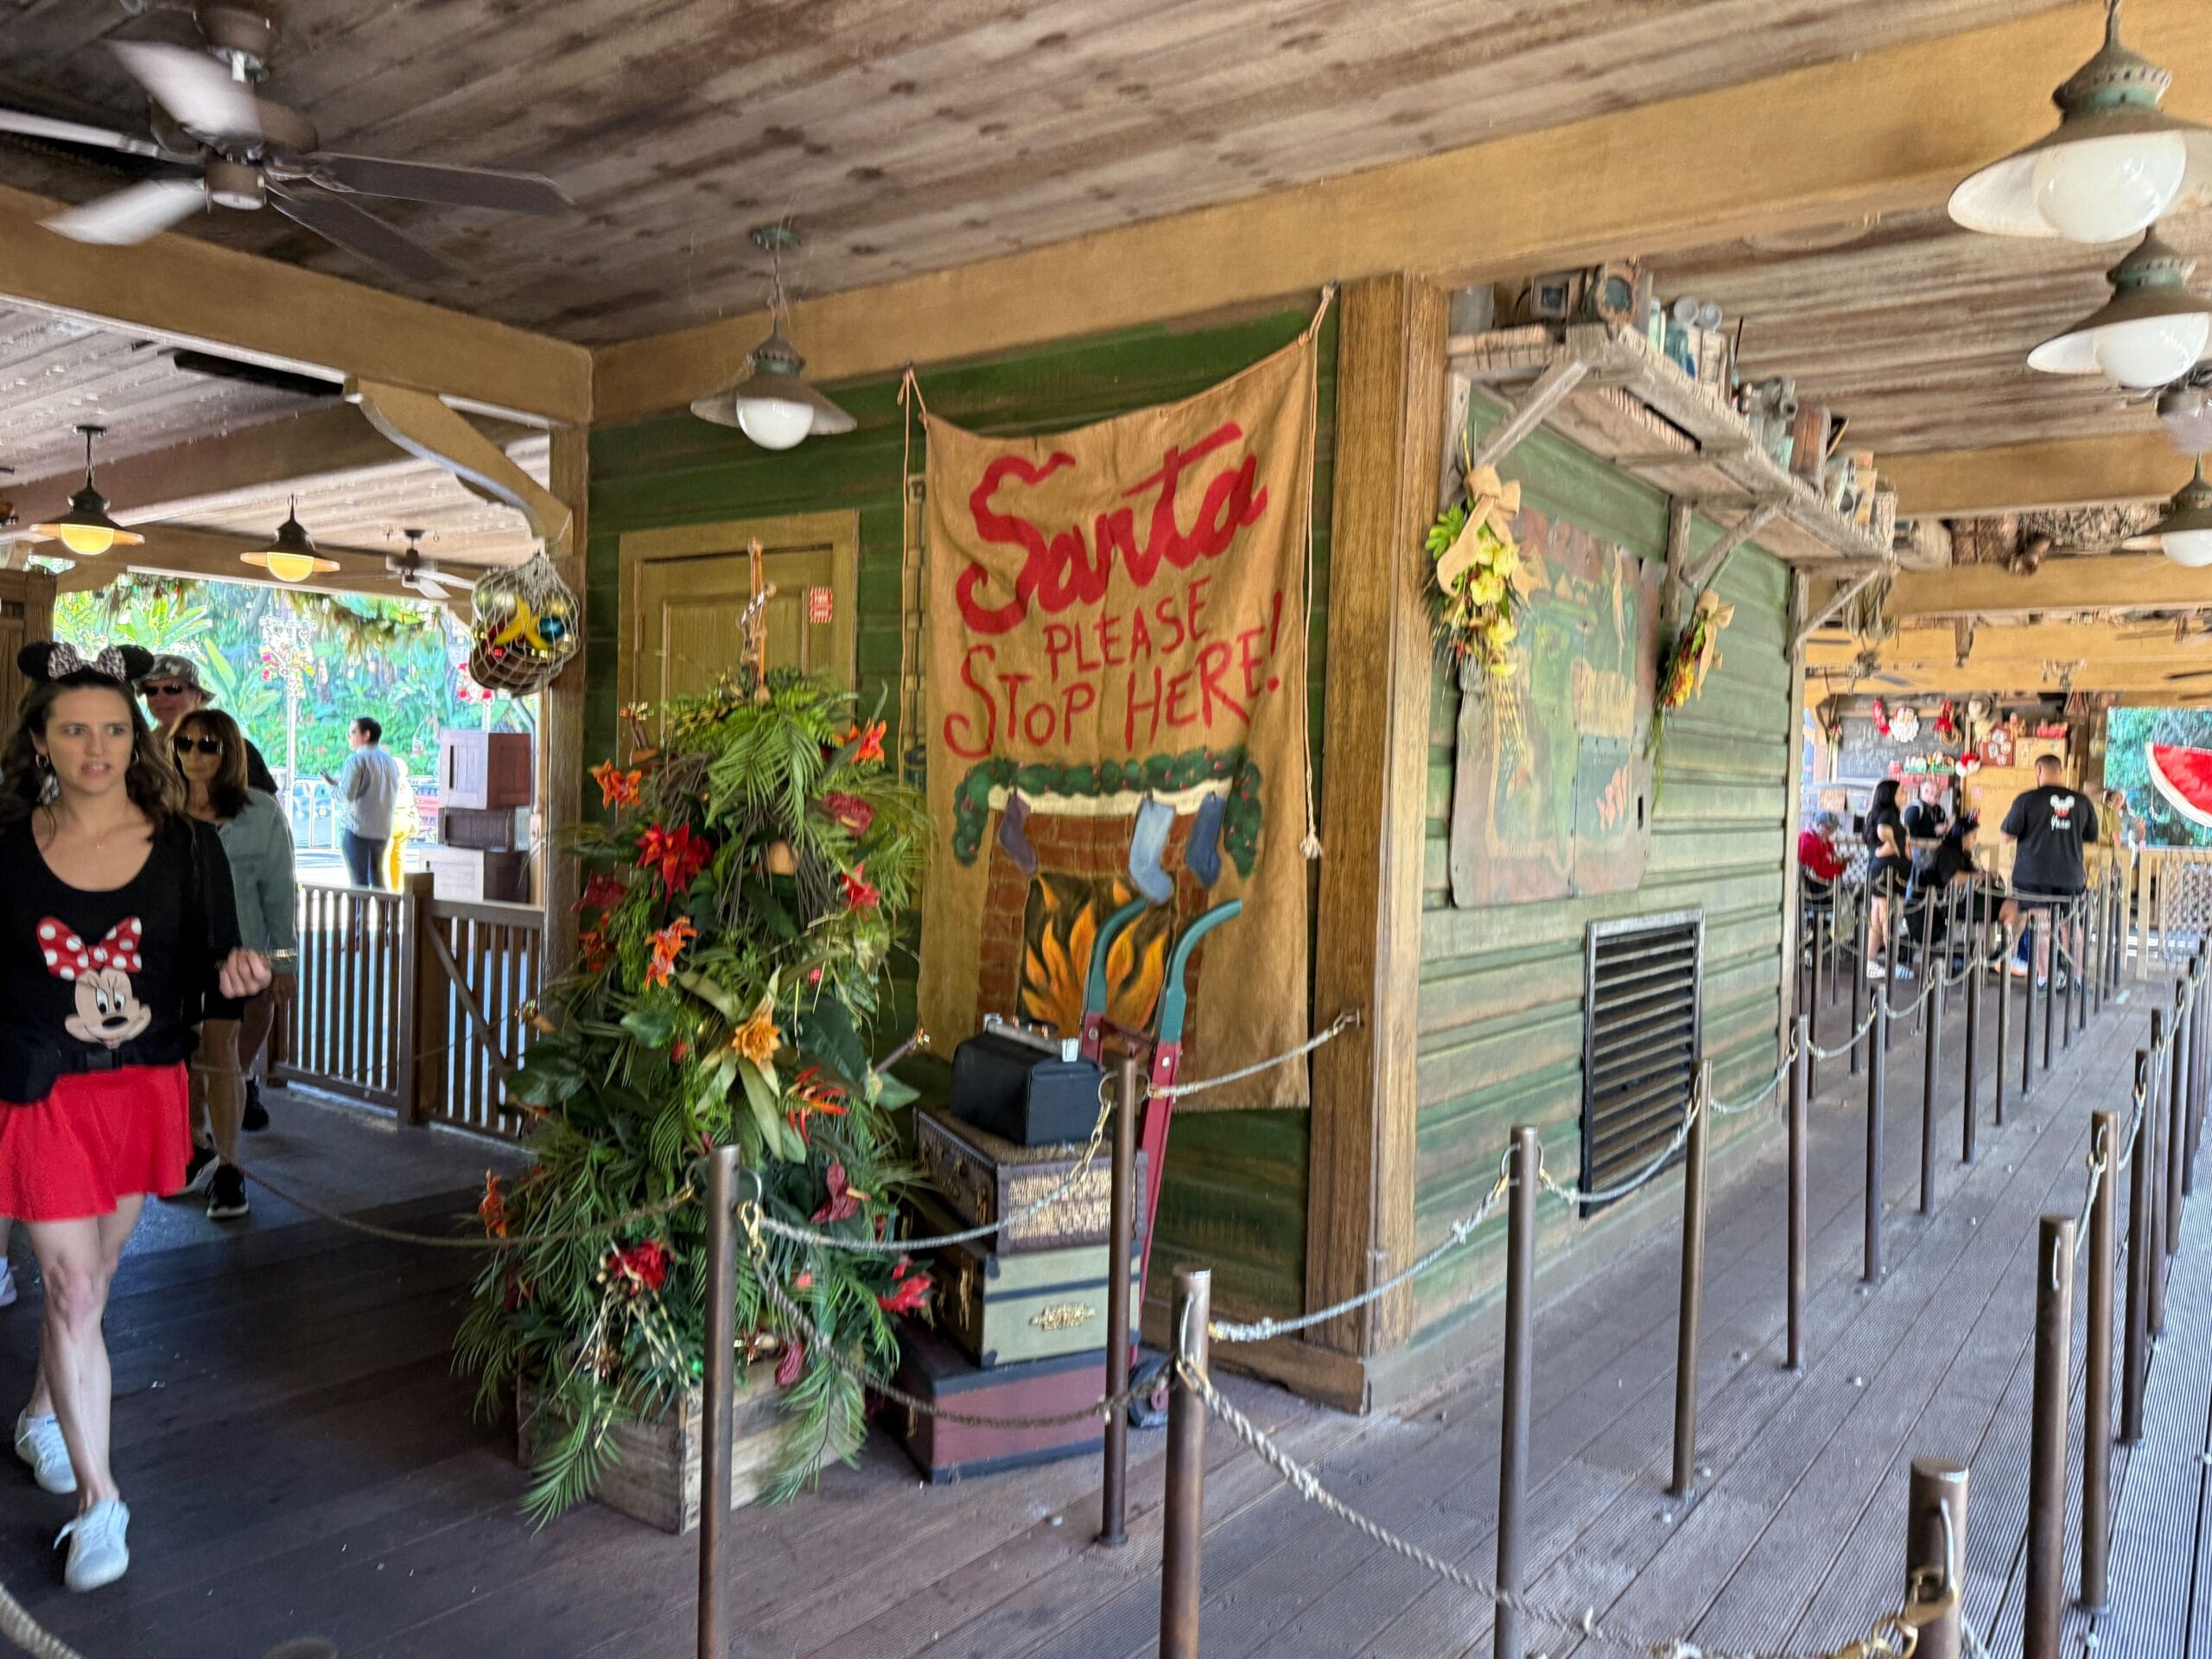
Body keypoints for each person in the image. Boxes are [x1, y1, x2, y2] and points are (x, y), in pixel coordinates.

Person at [0, 640, 269, 1592]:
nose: (97, 745)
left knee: (98, 1277)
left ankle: (42, 1415)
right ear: (41, 740)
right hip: (41, 1090)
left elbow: (213, 959)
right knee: (72, 1289)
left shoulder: (189, 849)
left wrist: (234, 972)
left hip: (145, 1086)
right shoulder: (7, 851)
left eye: (113, 728)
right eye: (74, 729)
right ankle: (100, 1507)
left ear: (134, 740)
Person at [171, 709, 296, 1222]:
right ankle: (190, 1149)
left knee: (219, 1049)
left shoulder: (261, 812)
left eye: (208, 744)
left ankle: (229, 1167)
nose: (195, 754)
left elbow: (280, 896)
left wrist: (284, 962)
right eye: (186, 743)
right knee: (178, 1059)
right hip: (169, 957)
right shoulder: (157, 812)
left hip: (235, 957)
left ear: (229, 753)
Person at [2000, 754, 2098, 988]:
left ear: (2038, 770)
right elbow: (2091, 837)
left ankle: (2044, 979)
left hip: (2032, 876)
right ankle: (2078, 978)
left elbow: (2006, 836)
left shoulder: (2026, 800)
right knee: (2072, 927)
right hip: (2069, 875)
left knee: (2042, 926)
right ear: (2061, 770)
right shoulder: (2082, 801)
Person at [136, 655, 276, 796]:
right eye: (151, 691)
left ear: (197, 695)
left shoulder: (233, 748)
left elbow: (270, 813)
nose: (160, 697)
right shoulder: (138, 750)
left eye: (173, 689)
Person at [326, 716, 404, 891]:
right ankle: (383, 918)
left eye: (353, 732)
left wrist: (330, 785)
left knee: (359, 884)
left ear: (366, 735)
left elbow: (346, 795)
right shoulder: (390, 761)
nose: (349, 737)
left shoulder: (356, 761)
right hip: (382, 831)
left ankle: (360, 919)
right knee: (378, 882)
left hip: (357, 830)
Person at [1863, 779, 1914, 981]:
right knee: (1888, 919)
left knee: (1877, 919)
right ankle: (1893, 965)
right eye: (1902, 791)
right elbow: (1882, 832)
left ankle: (1870, 962)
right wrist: (1893, 847)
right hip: (1888, 875)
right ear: (1890, 795)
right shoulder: (1888, 814)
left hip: (1882, 873)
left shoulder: (1881, 814)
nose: (1906, 794)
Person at [1798, 810, 1847, 905]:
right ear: (1817, 824)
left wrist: (1840, 862)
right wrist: (1840, 866)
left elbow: (1831, 859)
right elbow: (1816, 870)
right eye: (1828, 828)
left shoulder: (1825, 842)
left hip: (1827, 885)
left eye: (1834, 828)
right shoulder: (1807, 841)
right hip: (1813, 889)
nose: (1832, 832)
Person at [1902, 779, 1948, 863]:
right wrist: (1934, 830)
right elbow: (1908, 831)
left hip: (1937, 853)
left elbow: (1942, 826)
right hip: (1918, 854)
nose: (1938, 792)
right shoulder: (1914, 809)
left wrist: (1946, 828)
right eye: (1935, 790)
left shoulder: (1940, 810)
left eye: (1938, 790)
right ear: (1925, 791)